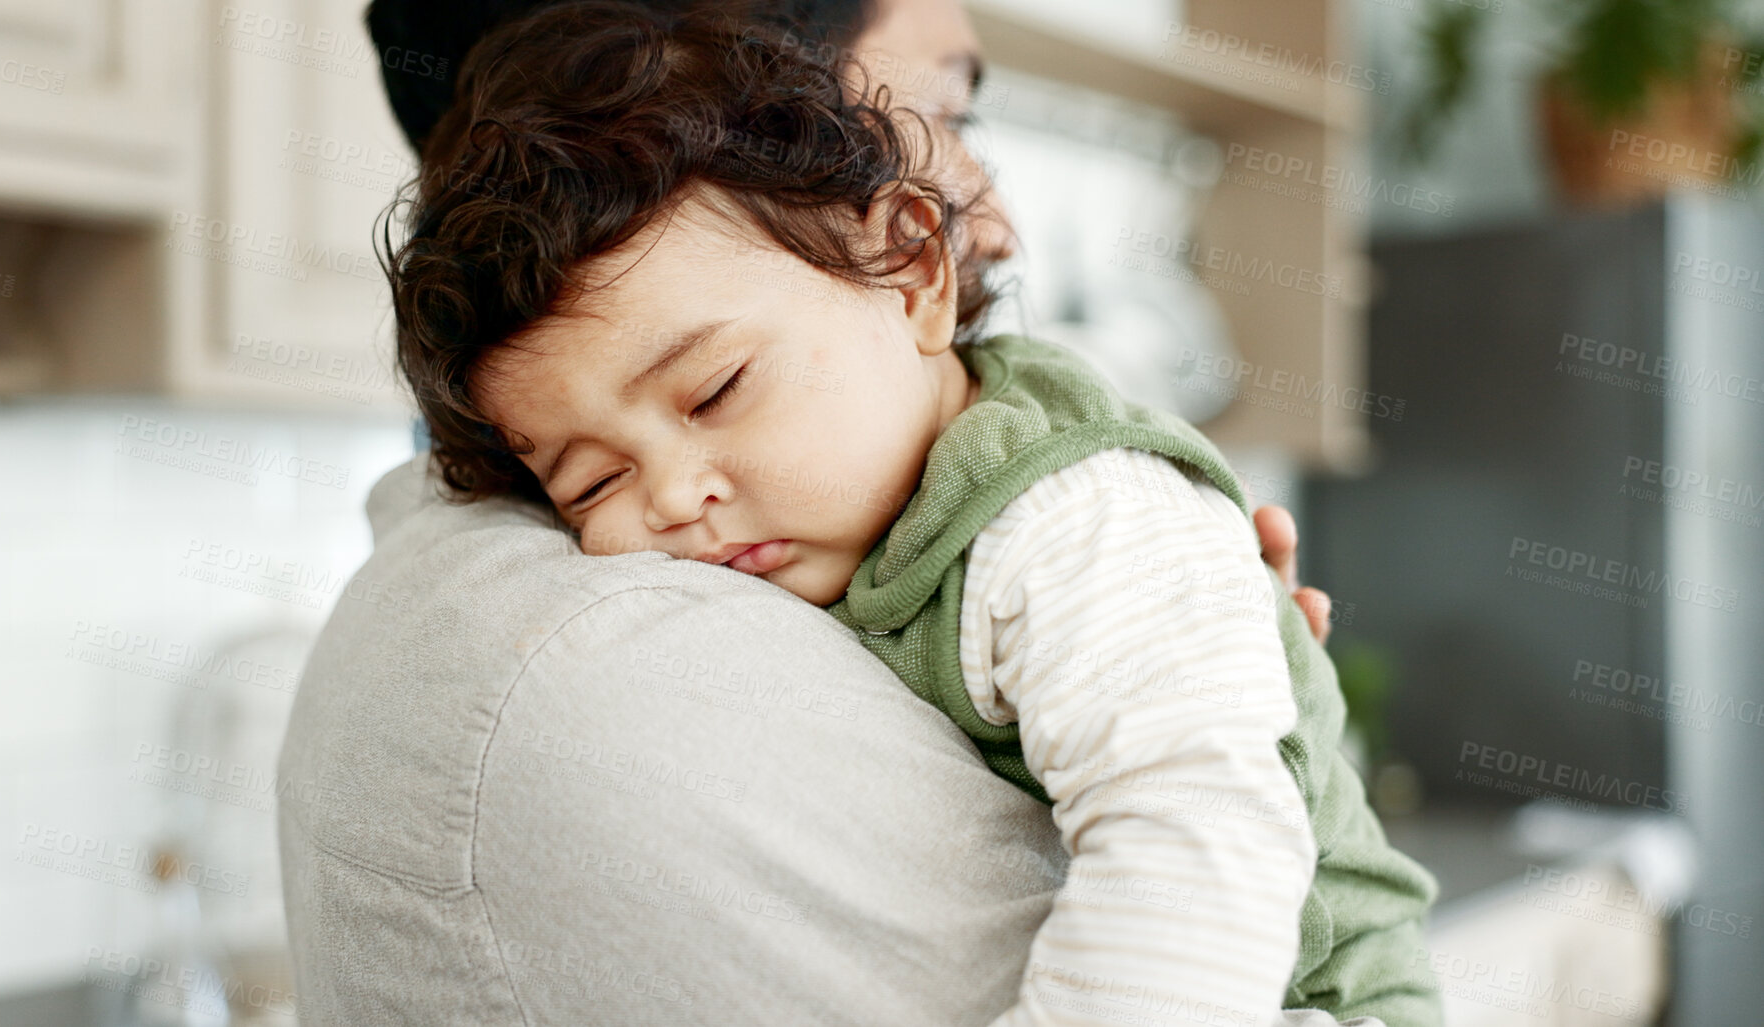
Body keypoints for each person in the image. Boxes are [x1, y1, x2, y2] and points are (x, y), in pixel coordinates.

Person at [273, 0, 1398, 1023]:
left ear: (907, 271)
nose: (669, 497)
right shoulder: (593, 653)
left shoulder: (1069, 516)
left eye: (715, 391)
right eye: (590, 484)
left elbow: (1194, 857)